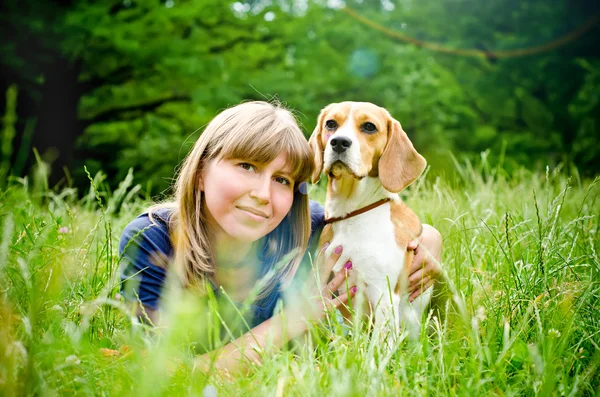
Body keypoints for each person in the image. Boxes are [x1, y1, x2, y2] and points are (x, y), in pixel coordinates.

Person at [118, 101, 445, 374]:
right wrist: (295, 319)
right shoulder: (153, 240)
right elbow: (159, 373)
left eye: (283, 180)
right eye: (246, 166)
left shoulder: (309, 227)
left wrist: (425, 245)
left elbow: (389, 232)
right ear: (201, 172)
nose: (262, 194)